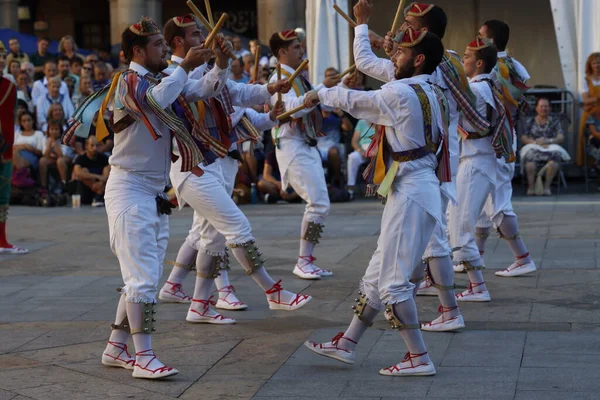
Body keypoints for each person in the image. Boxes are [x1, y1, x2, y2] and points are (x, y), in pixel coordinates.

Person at [63, 16, 231, 379]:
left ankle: (115, 348)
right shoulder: (128, 81)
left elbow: (204, 91)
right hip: (129, 189)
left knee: (143, 277)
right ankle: (144, 358)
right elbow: (157, 100)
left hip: (151, 191)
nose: (166, 50)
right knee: (141, 279)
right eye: (158, 45)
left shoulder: (159, 79)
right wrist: (185, 66)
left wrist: (220, 64)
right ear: (137, 51)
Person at [303, 16, 447, 375]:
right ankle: (348, 342)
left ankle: (419, 357)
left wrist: (320, 92)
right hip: (415, 188)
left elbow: (357, 102)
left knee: (394, 281)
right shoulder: (431, 89)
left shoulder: (400, 93)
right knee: (377, 273)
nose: (395, 56)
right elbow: (367, 95)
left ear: (418, 60)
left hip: (412, 191)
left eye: (402, 51)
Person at [158, 15, 311, 320]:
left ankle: (199, 306)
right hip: (193, 167)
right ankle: (272, 291)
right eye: (195, 33)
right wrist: (222, 62)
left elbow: (237, 94)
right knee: (236, 227)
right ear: (178, 41)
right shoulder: (170, 75)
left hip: (217, 162)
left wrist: (270, 89)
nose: (203, 36)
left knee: (211, 238)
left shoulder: (202, 67)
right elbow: (206, 89)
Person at [374, 3, 487, 316]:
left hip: (431, 163)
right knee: (426, 236)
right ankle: (430, 298)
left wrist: (361, 27)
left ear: (422, 30)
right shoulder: (440, 61)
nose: (401, 27)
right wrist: (390, 50)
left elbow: (367, 67)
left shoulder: (437, 65)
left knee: (437, 236)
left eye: (408, 23)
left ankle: (448, 309)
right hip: (433, 162)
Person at [269, 29, 341, 280]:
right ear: (282, 52)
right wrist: (322, 88)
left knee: (320, 203)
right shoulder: (278, 77)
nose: (302, 50)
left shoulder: (301, 78)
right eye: (296, 47)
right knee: (319, 203)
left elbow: (321, 105)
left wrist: (334, 88)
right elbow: (290, 108)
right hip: (292, 145)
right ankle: (303, 261)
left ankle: (307, 260)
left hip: (306, 143)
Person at [473, 19, 536, 279]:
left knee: (497, 202)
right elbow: (523, 94)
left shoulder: (494, 68)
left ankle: (522, 258)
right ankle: (475, 258)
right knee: (482, 202)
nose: (474, 40)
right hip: (501, 135)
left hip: (494, 138)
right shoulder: (514, 64)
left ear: (490, 41)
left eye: (480, 35)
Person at [448, 37, 508, 304]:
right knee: (456, 221)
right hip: (474, 161)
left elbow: (457, 100)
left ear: (479, 62)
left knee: (460, 226)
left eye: (466, 56)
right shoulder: (483, 85)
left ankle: (478, 286)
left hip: (475, 161)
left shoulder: (477, 88)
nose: (463, 60)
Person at [0, 41, 29, 254]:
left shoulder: (10, 87)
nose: (2, 60)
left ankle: (2, 240)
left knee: (3, 196)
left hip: (6, 149)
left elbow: (12, 118)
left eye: (3, 56)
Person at [520, 97, 569, 195]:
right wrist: (535, 143)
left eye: (546, 106)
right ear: (537, 108)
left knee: (554, 160)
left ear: (550, 108)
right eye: (541, 106)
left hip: (549, 147)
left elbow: (561, 136)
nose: (544, 109)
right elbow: (523, 137)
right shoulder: (530, 121)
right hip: (534, 146)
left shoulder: (554, 121)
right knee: (530, 162)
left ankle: (547, 187)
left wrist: (549, 141)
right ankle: (531, 187)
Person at [72, 136, 110, 206]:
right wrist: (98, 177)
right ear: (86, 146)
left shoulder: (103, 158)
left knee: (107, 169)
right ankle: (98, 193)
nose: (95, 148)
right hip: (86, 191)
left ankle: (99, 194)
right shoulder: (81, 158)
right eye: (92, 145)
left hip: (102, 186)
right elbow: (77, 172)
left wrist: (101, 181)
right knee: (83, 170)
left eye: (97, 145)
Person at [39, 120, 74, 195]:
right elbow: (45, 155)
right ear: (48, 130)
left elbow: (61, 155)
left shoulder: (64, 138)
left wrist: (54, 143)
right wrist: (49, 143)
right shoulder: (45, 138)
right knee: (42, 161)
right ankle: (44, 187)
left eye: (56, 129)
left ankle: (64, 185)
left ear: (60, 130)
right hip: (53, 158)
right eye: (51, 129)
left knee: (60, 161)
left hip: (67, 158)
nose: (54, 131)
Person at [577, 52, 600, 165]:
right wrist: (597, 98)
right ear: (590, 65)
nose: (597, 65)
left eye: (598, 62)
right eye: (594, 63)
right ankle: (593, 167)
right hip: (591, 115)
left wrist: (594, 99)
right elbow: (586, 100)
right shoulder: (586, 80)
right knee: (591, 139)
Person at [346, 119, 375, 199]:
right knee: (352, 157)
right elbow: (354, 142)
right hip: (363, 149)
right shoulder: (361, 122)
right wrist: (362, 152)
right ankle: (351, 187)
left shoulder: (382, 121)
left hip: (377, 149)